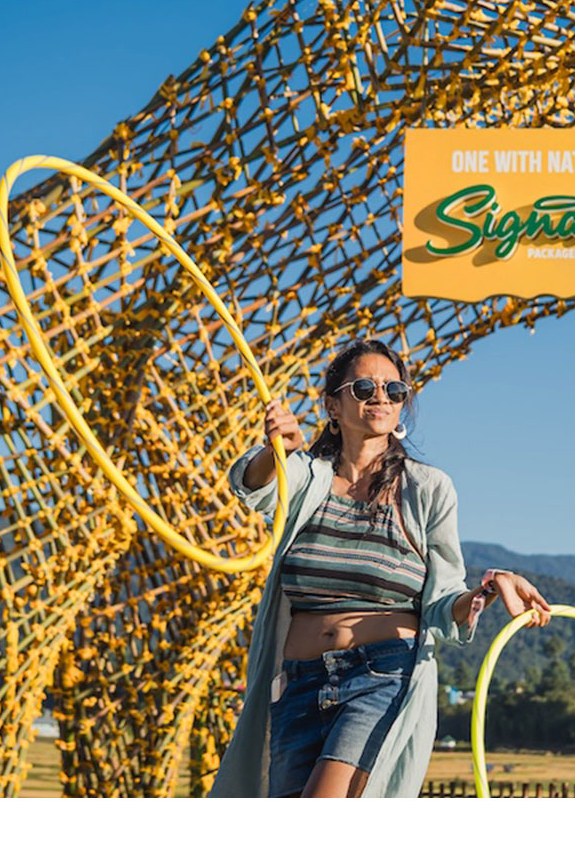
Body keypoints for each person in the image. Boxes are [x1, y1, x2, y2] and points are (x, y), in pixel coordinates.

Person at [209, 337, 551, 797]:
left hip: (382, 676)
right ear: (332, 405)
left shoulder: (428, 488)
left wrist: (488, 587)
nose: (381, 398)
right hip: (298, 681)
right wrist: (278, 451)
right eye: (365, 387)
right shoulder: (307, 476)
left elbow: (442, 601)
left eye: (395, 390)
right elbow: (252, 487)